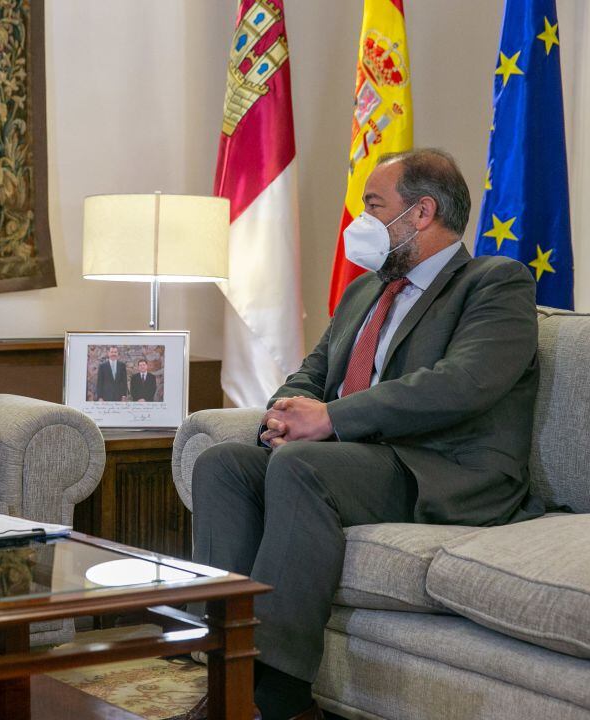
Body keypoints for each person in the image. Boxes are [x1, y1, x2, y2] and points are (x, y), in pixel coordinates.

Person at [186, 149, 545, 720]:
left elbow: (463, 383)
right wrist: (286, 413)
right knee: (223, 464)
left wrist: (330, 420)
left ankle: (278, 699)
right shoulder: (365, 292)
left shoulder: (495, 283)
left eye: (374, 206)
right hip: (360, 462)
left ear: (422, 212)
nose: (361, 222)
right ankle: (226, 672)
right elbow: (314, 370)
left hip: (443, 471)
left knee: (302, 466)